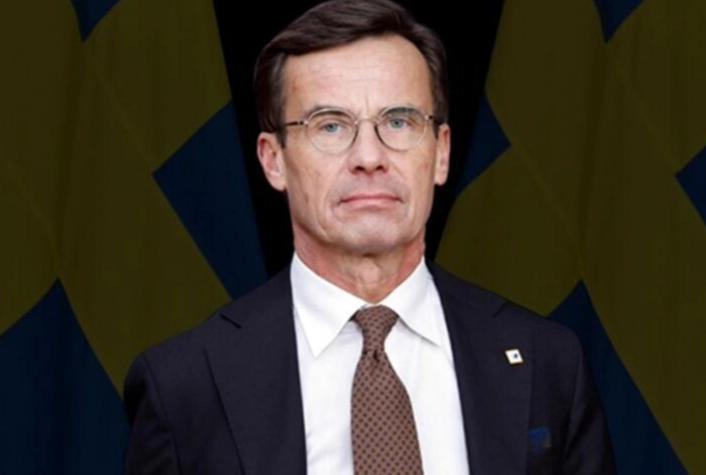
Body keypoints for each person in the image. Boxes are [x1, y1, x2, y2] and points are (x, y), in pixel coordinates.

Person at [123, 0, 616, 474]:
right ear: (274, 160)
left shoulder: (548, 362)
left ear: (441, 152)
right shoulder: (184, 384)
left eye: (398, 122)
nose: (369, 157)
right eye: (330, 126)